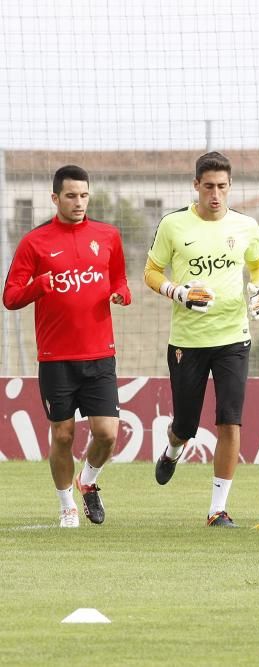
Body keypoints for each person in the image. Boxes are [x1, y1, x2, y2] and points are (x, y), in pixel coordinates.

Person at [144, 151, 259, 528]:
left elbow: (258, 264)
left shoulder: (246, 226)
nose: (216, 194)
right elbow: (151, 271)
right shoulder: (173, 225)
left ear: (230, 187)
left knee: (230, 422)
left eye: (223, 187)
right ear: (196, 185)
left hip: (233, 336)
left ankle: (218, 509)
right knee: (185, 423)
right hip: (188, 339)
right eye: (209, 186)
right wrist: (178, 292)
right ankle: (173, 449)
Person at [3, 165, 131, 527]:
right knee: (63, 434)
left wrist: (121, 292)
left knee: (106, 433)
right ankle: (66, 505)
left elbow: (119, 278)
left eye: (84, 195)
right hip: (56, 358)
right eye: (71, 195)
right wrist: (38, 285)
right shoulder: (34, 242)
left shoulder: (107, 236)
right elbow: (10, 297)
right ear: (55, 198)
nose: (78, 202)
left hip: (100, 353)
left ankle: (87, 481)